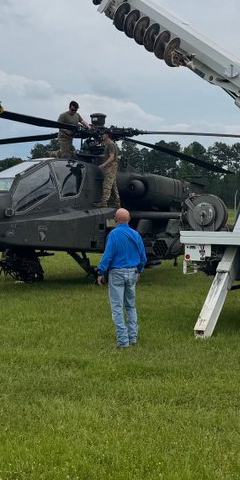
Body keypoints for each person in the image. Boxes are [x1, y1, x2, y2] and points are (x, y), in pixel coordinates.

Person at [97, 207, 146, 347]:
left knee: (117, 307)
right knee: (130, 306)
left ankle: (123, 340)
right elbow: (143, 257)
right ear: (129, 219)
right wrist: (139, 271)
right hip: (133, 272)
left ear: (116, 219)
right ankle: (133, 337)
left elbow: (108, 255)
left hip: (117, 273)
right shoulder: (136, 235)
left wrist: (101, 271)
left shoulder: (113, 234)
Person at [95, 129, 121, 208]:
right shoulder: (107, 144)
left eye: (103, 134)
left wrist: (103, 165)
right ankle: (117, 204)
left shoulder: (110, 144)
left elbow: (112, 157)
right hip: (111, 165)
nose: (102, 136)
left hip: (111, 165)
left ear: (107, 135)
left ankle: (104, 202)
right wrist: (99, 156)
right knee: (113, 185)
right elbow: (107, 155)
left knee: (107, 184)